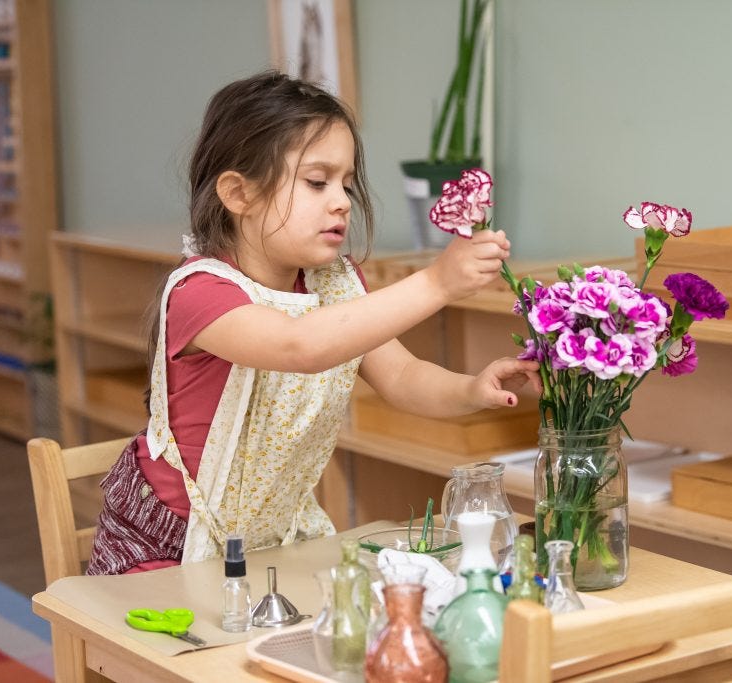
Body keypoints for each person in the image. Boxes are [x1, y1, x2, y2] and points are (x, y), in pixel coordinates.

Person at [87, 71, 539, 575]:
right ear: (239, 194)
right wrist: (436, 284)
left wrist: (472, 389)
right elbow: (298, 346)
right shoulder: (201, 292)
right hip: (167, 549)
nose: (342, 200)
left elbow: (404, 377)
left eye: (346, 183)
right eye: (317, 181)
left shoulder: (334, 285)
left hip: (276, 541)